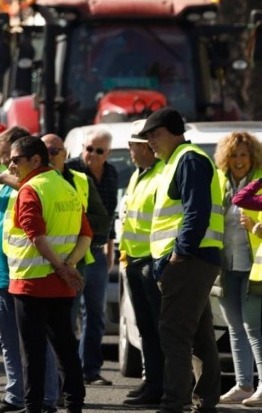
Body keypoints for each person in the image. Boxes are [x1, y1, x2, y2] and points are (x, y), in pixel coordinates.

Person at [0, 126, 59, 413]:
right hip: (0, 270)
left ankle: (46, 397)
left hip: (26, 270)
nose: (7, 163)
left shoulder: (36, 181)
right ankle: (15, 395)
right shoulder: (1, 179)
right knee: (8, 340)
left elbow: (26, 187)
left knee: (36, 340)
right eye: (1, 157)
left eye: (10, 157)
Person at [138, 107, 222, 413]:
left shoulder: (188, 158)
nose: (151, 143)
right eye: (147, 138)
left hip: (189, 260)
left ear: (175, 131)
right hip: (192, 259)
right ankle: (205, 400)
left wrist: (178, 255)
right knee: (198, 335)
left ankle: (174, 402)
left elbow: (195, 212)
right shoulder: (176, 160)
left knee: (174, 334)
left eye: (155, 135)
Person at [4, 135, 89, 413]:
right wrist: (69, 266)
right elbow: (86, 234)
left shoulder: (30, 190)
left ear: (35, 160)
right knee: (66, 347)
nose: (10, 164)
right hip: (60, 285)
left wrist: (62, 267)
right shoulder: (66, 188)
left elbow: (36, 237)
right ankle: (75, 404)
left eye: (16, 159)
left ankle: (33, 408)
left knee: (33, 353)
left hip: (31, 284)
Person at [211, 131, 262, 405]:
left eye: (243, 154)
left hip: (256, 267)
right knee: (234, 327)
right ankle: (243, 384)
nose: (239, 160)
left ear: (252, 156)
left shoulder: (260, 181)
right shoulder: (219, 181)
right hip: (226, 266)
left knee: (253, 325)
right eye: (233, 155)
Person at [65, 128, 118, 386]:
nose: (92, 155)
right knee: (69, 312)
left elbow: (110, 216)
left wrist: (109, 252)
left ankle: (90, 370)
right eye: (89, 149)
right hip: (72, 252)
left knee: (96, 314)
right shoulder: (69, 170)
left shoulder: (111, 173)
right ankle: (68, 371)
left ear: (107, 153)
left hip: (97, 252)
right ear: (82, 148)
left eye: (99, 151)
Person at [118, 120, 165, 407]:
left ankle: (161, 386)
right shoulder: (139, 174)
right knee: (145, 328)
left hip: (151, 260)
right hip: (134, 261)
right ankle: (152, 382)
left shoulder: (160, 174)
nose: (129, 151)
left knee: (158, 329)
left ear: (147, 146)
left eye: (133, 145)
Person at [231, 149, 262, 408]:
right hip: (258, 275)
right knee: (251, 327)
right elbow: (240, 198)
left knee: (254, 328)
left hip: (257, 274)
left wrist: (254, 229)